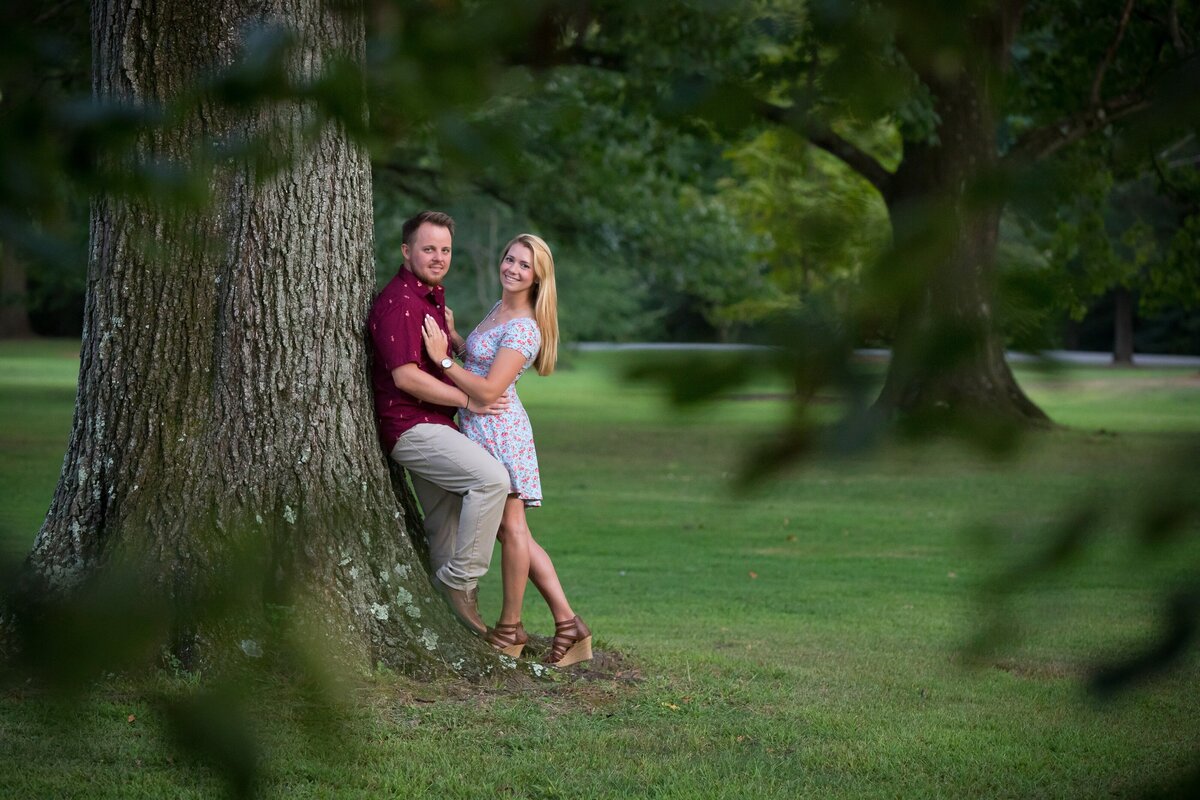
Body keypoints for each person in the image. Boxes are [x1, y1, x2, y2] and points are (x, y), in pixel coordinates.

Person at [420, 233, 591, 667]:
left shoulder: (524, 327)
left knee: (512, 529)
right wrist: (456, 339)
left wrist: (443, 360)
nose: (512, 269)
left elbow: (488, 389)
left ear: (538, 277)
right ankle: (568, 624)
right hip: (481, 427)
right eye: (509, 259)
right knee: (510, 531)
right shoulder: (500, 309)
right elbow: (483, 363)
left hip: (501, 432)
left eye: (524, 265)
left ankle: (511, 627)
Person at [368, 210, 512, 637]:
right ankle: (458, 582)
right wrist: (469, 400)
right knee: (491, 481)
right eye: (428, 249)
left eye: (445, 250)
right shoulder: (400, 303)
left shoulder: (429, 298)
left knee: (445, 518)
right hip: (410, 426)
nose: (438, 257)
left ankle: (454, 619)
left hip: (434, 423)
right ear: (406, 250)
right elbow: (406, 378)